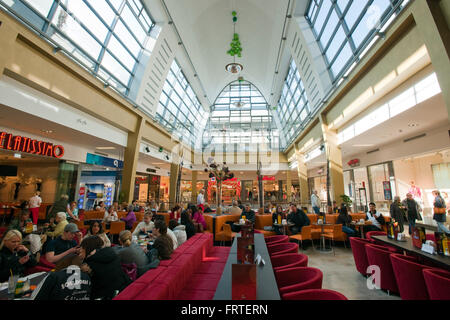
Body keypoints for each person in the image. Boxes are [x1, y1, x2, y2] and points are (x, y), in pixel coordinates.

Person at [79, 235, 131, 300]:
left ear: (88, 248)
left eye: (82, 247)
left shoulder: (89, 265)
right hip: (124, 289)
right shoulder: (111, 254)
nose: (80, 250)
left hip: (106, 296)